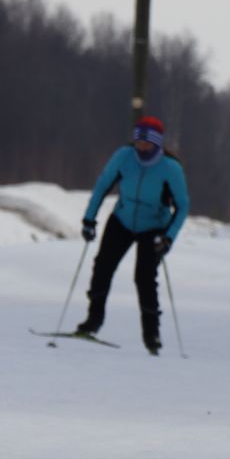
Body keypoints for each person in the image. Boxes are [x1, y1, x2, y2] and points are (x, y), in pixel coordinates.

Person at [77, 115, 190, 354]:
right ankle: (93, 320)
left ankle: (152, 335)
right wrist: (89, 219)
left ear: (157, 143)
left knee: (144, 277)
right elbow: (102, 185)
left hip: (154, 226)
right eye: (138, 142)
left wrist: (168, 237)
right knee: (103, 267)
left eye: (146, 144)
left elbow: (182, 206)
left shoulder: (171, 168)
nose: (140, 148)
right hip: (122, 219)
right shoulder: (123, 156)